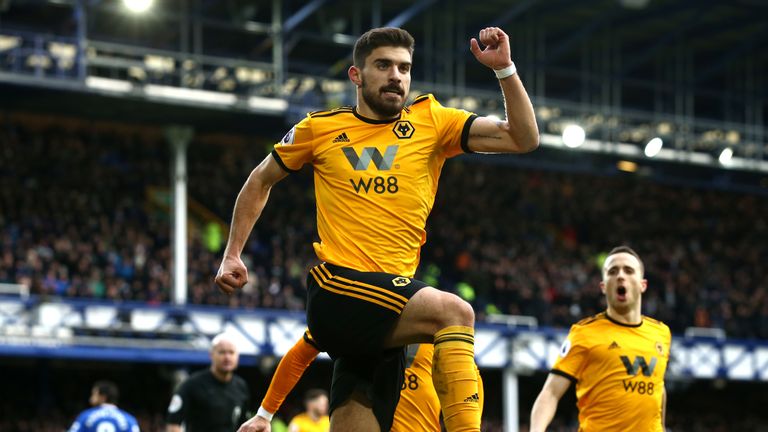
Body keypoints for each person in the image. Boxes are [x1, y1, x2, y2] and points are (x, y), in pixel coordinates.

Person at [216, 26, 538, 432]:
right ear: (356, 75)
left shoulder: (433, 122)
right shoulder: (319, 128)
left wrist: (505, 69)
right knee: (456, 312)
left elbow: (524, 138)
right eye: (383, 65)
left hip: (386, 315)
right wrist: (232, 253)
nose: (396, 76)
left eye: (404, 67)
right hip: (339, 290)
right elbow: (259, 180)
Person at [529, 246, 672, 432]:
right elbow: (550, 393)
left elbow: (658, 386)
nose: (620, 276)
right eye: (613, 271)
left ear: (642, 284)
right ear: (604, 286)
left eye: (628, 271)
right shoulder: (584, 333)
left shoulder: (661, 333)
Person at [237, 330, 484, 432]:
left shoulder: (433, 335)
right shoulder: (351, 316)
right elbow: (299, 355)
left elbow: (471, 379)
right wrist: (265, 413)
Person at [166, 333, 251, 432]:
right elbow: (173, 423)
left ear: (237, 356)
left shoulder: (241, 386)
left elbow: (244, 424)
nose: (227, 357)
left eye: (231, 352)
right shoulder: (192, 385)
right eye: (222, 352)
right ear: (211, 355)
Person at [67, 380, 140, 432]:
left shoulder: (86, 416)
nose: (91, 398)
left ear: (103, 397)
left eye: (94, 394)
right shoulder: (129, 419)